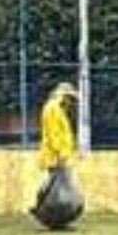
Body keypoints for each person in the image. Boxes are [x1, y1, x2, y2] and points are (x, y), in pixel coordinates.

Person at [32, 82, 79, 217]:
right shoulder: (53, 108)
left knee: (55, 184)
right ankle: (41, 209)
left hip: (57, 154)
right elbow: (54, 133)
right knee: (54, 185)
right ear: (63, 96)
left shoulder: (56, 109)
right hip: (55, 155)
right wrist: (61, 153)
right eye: (70, 99)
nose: (71, 103)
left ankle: (43, 209)